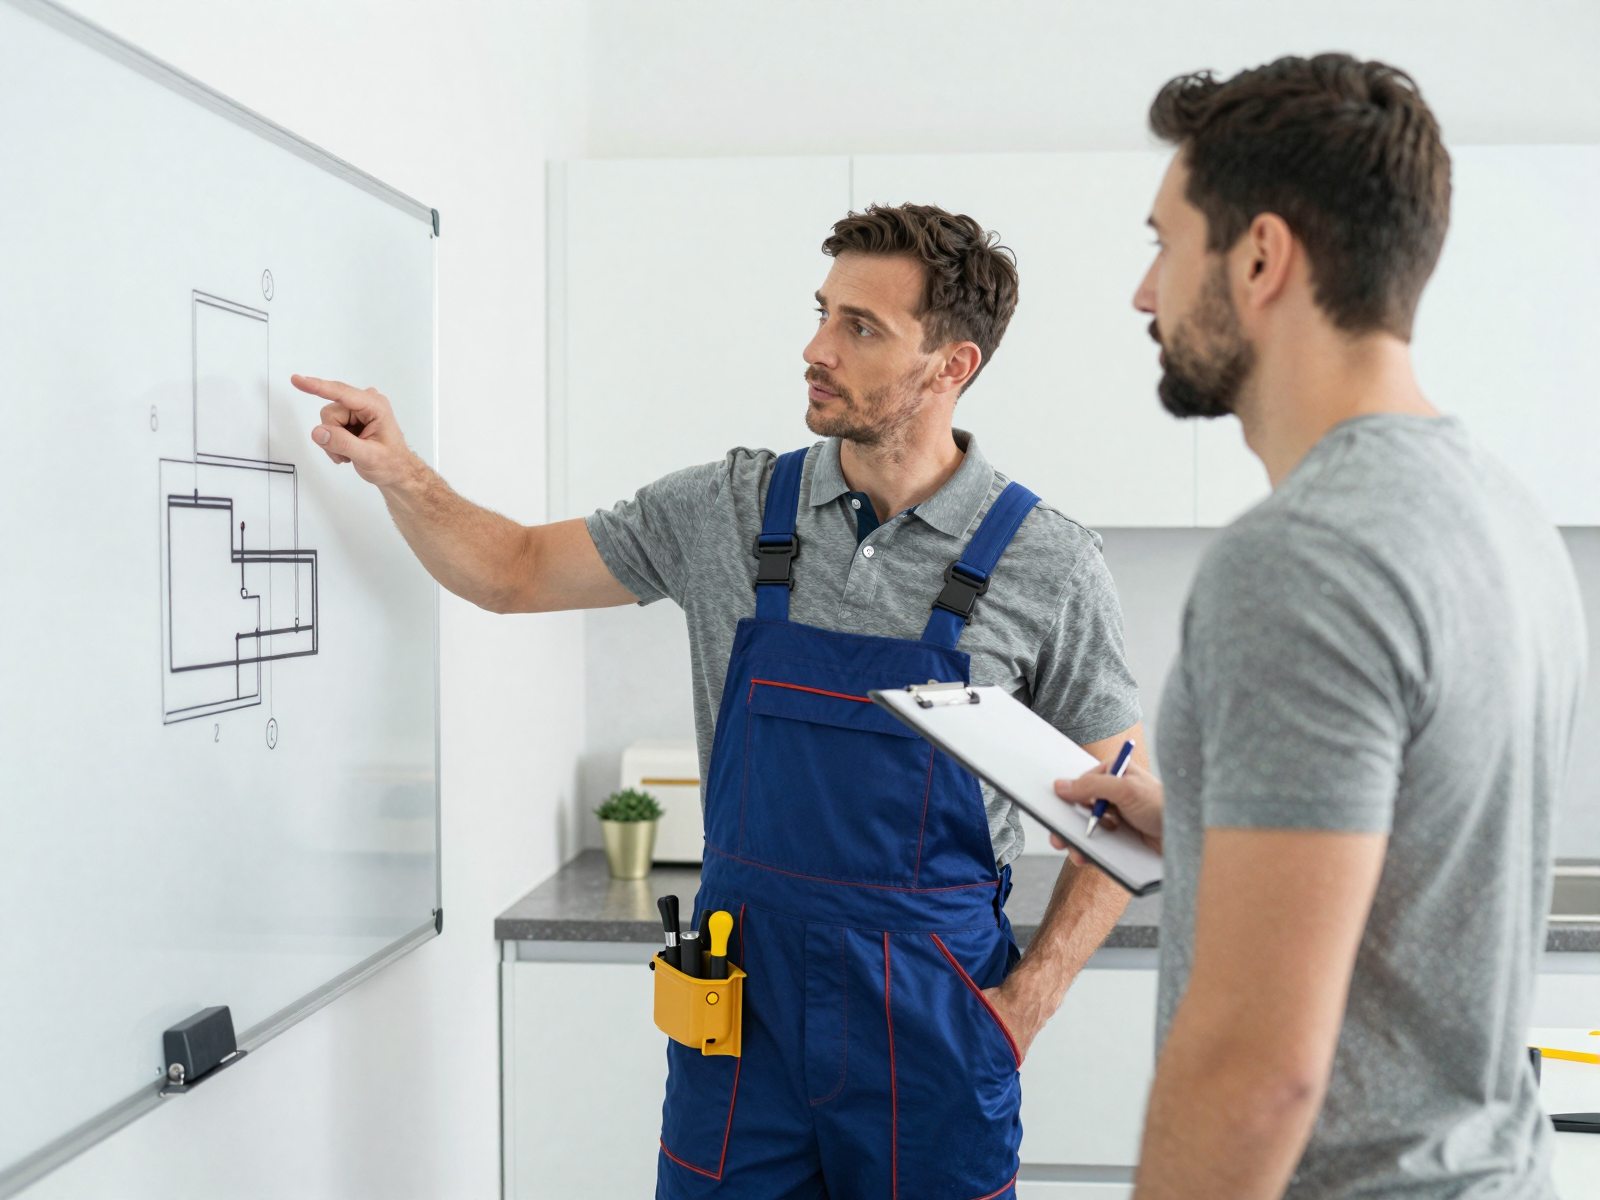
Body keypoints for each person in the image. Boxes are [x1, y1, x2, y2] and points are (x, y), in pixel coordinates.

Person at [294, 203, 1146, 1199]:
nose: (815, 347)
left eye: (859, 327)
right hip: (744, 1014)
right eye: (823, 311)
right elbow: (514, 570)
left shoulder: (1050, 561)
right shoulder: (727, 510)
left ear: (950, 366)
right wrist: (400, 472)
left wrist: (1025, 1004)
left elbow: (1124, 823)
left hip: (935, 1022)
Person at [1054, 54, 1586, 1200]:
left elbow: (1257, 1074)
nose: (1143, 293)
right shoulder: (1501, 514)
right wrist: (1199, 815)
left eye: (1163, 242)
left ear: (1257, 257)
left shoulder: (1300, 561)